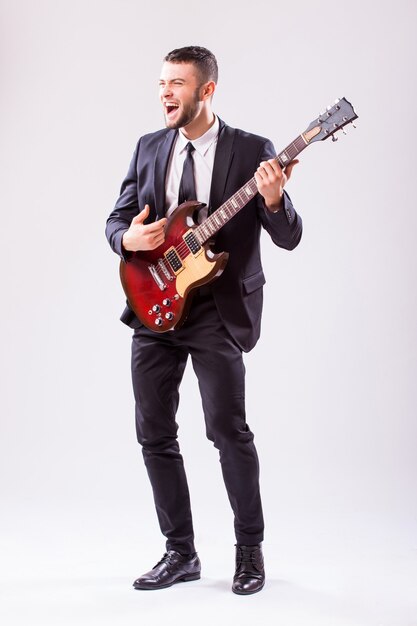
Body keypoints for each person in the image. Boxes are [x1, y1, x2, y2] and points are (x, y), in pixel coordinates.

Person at [105, 46, 302, 595]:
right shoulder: (148, 148)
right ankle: (180, 553)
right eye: (162, 83)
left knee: (228, 432)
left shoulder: (252, 151)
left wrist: (275, 199)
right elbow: (117, 218)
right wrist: (127, 237)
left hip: (217, 311)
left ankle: (249, 552)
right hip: (154, 307)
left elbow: (288, 236)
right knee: (154, 434)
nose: (165, 93)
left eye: (177, 84)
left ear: (207, 90)